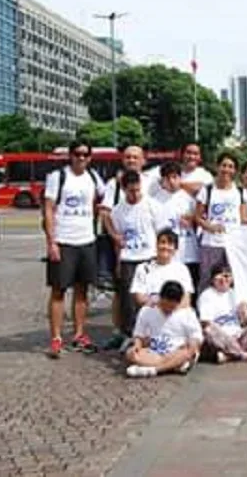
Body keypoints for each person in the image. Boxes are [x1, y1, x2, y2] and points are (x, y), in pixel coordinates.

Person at [43, 141, 105, 357]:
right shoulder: (57, 177)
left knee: (82, 291)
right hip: (64, 241)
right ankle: (56, 337)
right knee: (58, 291)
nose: (81, 158)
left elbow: (104, 201)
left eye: (85, 154)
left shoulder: (94, 178)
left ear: (90, 157)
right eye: (77, 154)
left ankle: (78, 334)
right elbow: (49, 210)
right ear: (70, 155)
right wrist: (51, 241)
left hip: (86, 241)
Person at [99, 145, 152, 347]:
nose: (131, 160)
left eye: (135, 157)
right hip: (124, 247)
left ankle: (146, 332)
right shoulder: (113, 184)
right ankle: (122, 331)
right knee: (123, 291)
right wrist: (115, 237)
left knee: (147, 291)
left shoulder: (151, 182)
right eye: (128, 157)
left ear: (143, 160)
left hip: (147, 248)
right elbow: (105, 213)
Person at [105, 170, 161, 349]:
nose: (135, 194)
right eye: (131, 191)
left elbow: (161, 233)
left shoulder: (152, 205)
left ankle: (152, 334)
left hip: (149, 257)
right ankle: (130, 334)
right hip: (129, 258)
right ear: (123, 189)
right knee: (128, 301)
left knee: (150, 298)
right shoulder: (118, 211)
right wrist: (118, 263)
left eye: (138, 190)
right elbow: (118, 240)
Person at [125, 280, 203, 378]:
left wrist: (191, 347)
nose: (167, 309)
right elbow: (139, 335)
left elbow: (195, 338)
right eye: (164, 305)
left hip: (177, 352)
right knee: (130, 354)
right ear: (160, 298)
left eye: (171, 307)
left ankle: (154, 370)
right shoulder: (147, 310)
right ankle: (171, 366)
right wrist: (136, 346)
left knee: (186, 353)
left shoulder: (188, 314)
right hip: (154, 352)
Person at [195, 152, 246, 290]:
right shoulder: (208, 189)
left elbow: (244, 218)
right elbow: (198, 217)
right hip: (211, 243)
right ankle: (205, 309)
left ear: (235, 170)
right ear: (217, 167)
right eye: (224, 165)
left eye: (231, 166)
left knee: (233, 281)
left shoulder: (240, 191)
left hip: (233, 244)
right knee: (207, 280)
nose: (227, 169)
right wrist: (210, 227)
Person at [198, 265, 247, 363]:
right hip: (221, 337)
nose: (223, 280)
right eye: (219, 277)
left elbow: (244, 322)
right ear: (213, 279)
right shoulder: (207, 295)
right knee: (208, 329)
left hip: (237, 334)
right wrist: (226, 337)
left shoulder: (235, 293)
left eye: (226, 277)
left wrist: (244, 311)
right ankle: (245, 355)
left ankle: (229, 356)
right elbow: (206, 322)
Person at [152, 162, 200, 295]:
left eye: (175, 177)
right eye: (168, 178)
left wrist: (193, 219)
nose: (172, 181)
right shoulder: (154, 201)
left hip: (189, 254)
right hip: (168, 256)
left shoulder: (190, 199)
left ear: (180, 178)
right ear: (162, 180)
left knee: (189, 292)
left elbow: (202, 219)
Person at [130, 229, 195, 309]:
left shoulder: (182, 269)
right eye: (163, 242)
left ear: (175, 249)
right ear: (156, 245)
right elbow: (139, 297)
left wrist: (170, 311)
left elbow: (186, 299)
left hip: (176, 313)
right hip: (151, 312)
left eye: (170, 244)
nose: (165, 246)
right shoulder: (143, 268)